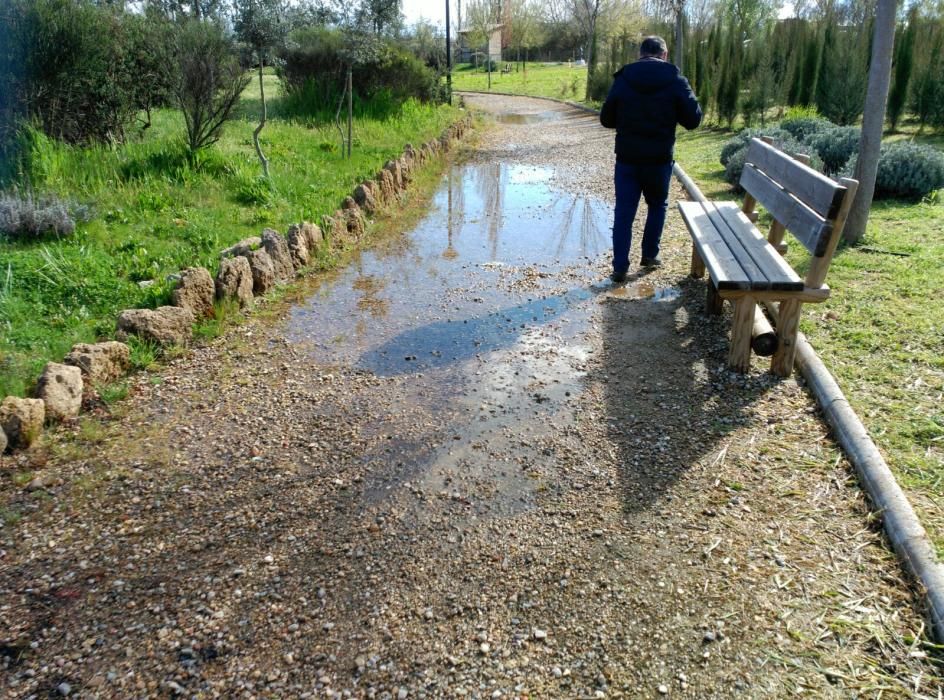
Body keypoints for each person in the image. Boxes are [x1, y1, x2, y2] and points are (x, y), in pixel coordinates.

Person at [600, 36, 702, 283]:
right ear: (664, 54)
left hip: (627, 159)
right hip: (658, 159)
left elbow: (606, 119)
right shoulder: (676, 80)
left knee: (624, 211)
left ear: (640, 53)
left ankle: (620, 267)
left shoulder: (623, 78)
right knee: (657, 205)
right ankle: (649, 255)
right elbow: (693, 120)